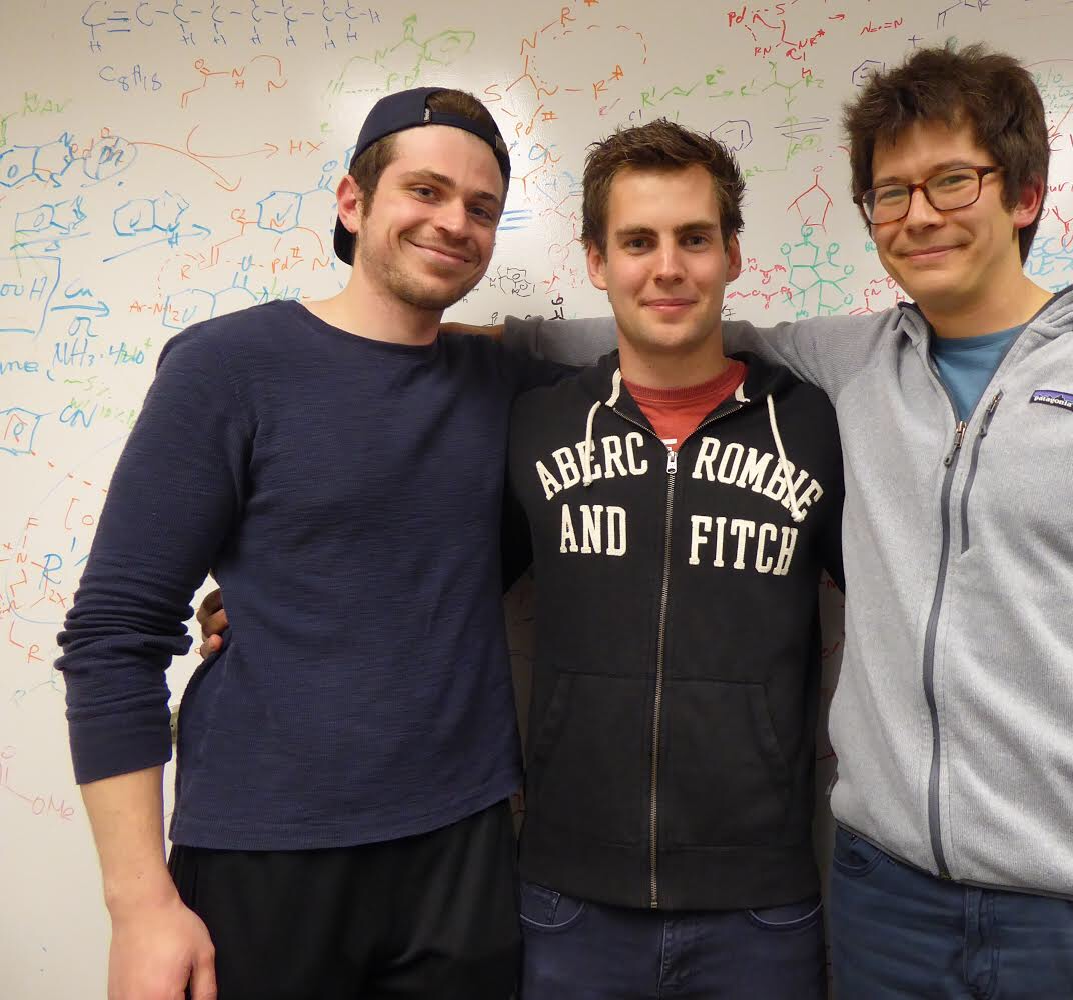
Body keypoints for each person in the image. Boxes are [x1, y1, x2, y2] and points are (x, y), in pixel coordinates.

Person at [499, 44, 1073, 1000]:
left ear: (1024, 194)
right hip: (884, 897)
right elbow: (678, 330)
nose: (919, 213)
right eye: (891, 192)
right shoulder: (853, 365)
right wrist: (466, 339)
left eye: (952, 180)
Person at [201, 119, 845, 999]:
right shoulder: (536, 421)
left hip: (760, 904)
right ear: (595, 261)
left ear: (732, 254)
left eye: (694, 239)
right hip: (565, 900)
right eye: (637, 242)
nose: (667, 268)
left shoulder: (813, 425)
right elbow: (437, 576)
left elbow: (900, 588)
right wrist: (278, 596)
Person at [56, 87, 557, 1000]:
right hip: (264, 850)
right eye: (425, 191)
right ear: (352, 201)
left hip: (465, 849)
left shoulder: (506, 386)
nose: (454, 222)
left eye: (480, 207)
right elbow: (114, 633)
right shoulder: (227, 366)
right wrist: (139, 906)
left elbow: (656, 342)